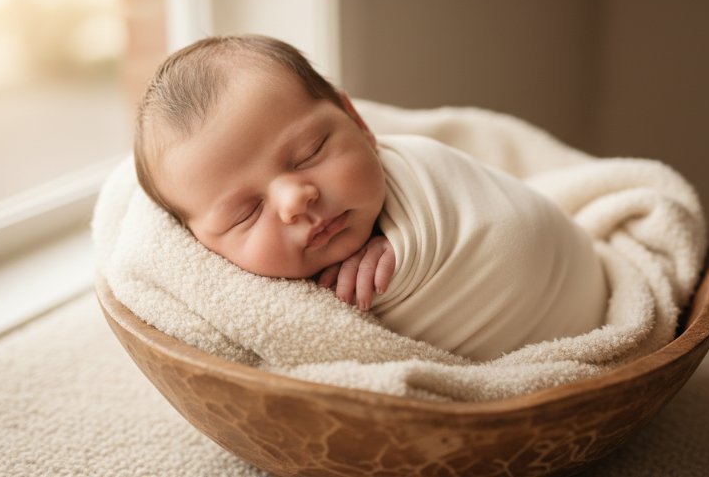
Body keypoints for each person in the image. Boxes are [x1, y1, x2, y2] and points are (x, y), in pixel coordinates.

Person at [134, 35, 608, 360]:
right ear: (200, 244)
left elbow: (499, 218)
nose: (295, 199)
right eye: (247, 212)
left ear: (357, 122)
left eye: (309, 152)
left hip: (582, 296)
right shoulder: (248, 295)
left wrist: (406, 242)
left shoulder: (421, 168)